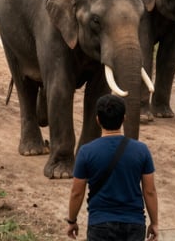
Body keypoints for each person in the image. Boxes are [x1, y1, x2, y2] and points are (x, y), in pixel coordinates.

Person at [66, 94, 159, 241]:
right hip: (134, 224)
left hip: (100, 224)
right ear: (124, 118)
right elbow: (150, 191)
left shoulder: (86, 152)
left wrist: (72, 221)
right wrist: (154, 223)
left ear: (98, 120)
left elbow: (77, 192)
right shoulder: (142, 150)